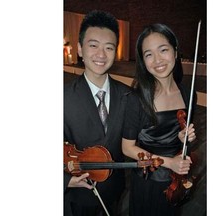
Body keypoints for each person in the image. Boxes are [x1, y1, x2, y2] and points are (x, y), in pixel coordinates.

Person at [122, 23, 197, 216]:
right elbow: (127, 148)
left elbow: (180, 138)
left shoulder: (188, 94)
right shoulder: (136, 98)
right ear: (142, 61)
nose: (157, 60)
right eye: (149, 54)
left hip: (175, 180)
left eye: (163, 50)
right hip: (148, 180)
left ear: (175, 51)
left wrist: (184, 138)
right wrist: (168, 162)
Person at [64, 10, 132, 216]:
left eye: (109, 47)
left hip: (114, 192)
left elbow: (139, 138)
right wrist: (64, 180)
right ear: (80, 49)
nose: (101, 55)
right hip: (77, 196)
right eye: (93, 45)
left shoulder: (128, 95)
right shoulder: (61, 95)